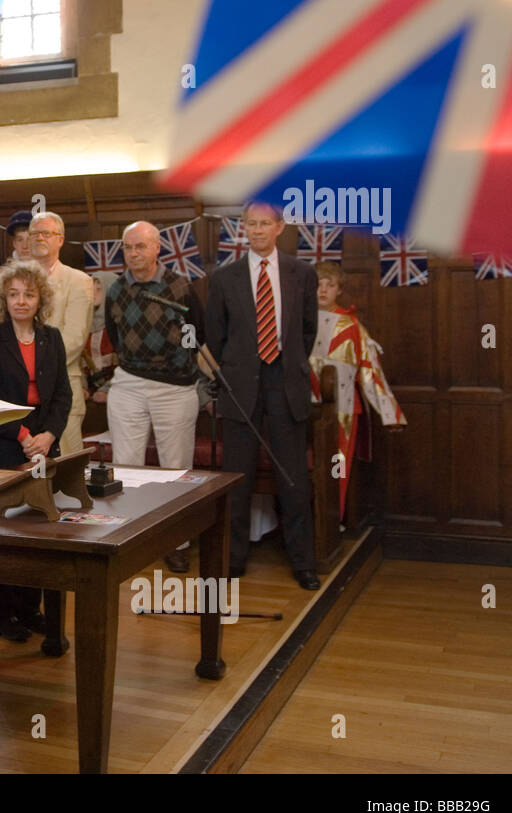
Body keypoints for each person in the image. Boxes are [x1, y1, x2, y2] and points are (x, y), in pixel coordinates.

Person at [205, 201, 319, 590]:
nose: (256, 230)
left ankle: (303, 562)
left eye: (263, 224)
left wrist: (288, 364)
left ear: (279, 227)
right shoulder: (224, 277)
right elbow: (215, 338)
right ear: (243, 228)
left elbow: (307, 331)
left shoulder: (302, 273)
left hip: (286, 385)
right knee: (238, 478)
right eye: (249, 224)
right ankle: (233, 560)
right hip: (241, 389)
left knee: (294, 480)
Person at [0, 261, 72, 642]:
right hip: (1, 445)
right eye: (13, 294)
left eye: (28, 294)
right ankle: (2, 617)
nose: (20, 301)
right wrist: (25, 435)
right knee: (3, 536)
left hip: (43, 448)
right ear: (3, 298)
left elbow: (63, 394)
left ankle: (31, 611)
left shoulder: (53, 338)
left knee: (38, 535)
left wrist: (47, 435)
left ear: (40, 299)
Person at [103, 221, 208, 573]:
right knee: (127, 465)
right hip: (130, 383)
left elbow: (199, 333)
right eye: (128, 247)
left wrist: (178, 366)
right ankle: (128, 537)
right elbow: (114, 338)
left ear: (157, 248)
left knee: (175, 469)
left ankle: (176, 542)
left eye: (141, 247)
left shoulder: (180, 286)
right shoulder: (116, 290)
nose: (134, 254)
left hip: (174, 388)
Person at [311, 261, 406, 521]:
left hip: (342, 410)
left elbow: (371, 372)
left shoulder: (352, 327)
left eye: (330, 285)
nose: (323, 290)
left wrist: (390, 413)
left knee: (336, 466)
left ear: (339, 290)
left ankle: (332, 521)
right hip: (304, 408)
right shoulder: (298, 321)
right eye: (318, 284)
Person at [27, 211, 93, 454]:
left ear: (61, 240)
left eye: (47, 233)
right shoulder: (13, 279)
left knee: (65, 473)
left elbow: (74, 340)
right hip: (19, 395)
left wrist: (28, 365)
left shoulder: (78, 281)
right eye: (34, 234)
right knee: (25, 475)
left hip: (60, 390)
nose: (39, 238)